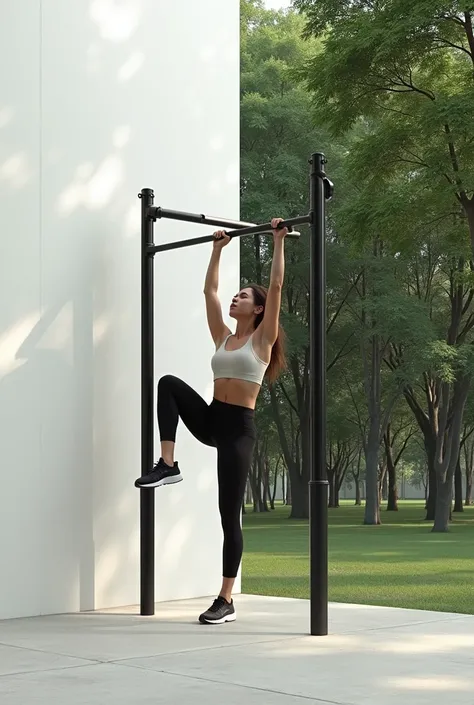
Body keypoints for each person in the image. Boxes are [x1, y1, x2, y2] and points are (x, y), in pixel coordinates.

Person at [134, 217, 288, 624]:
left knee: (228, 515)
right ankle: (168, 463)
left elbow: (275, 288)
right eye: (235, 296)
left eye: (243, 297)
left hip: (238, 430)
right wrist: (216, 250)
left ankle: (226, 598)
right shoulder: (223, 336)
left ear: (257, 309)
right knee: (167, 383)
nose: (235, 300)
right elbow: (210, 291)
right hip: (211, 418)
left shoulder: (262, 339)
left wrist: (278, 242)